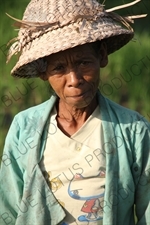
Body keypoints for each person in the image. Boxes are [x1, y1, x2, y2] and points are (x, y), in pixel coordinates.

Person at [0, 0, 149, 224]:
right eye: (59, 68)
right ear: (43, 71)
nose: (74, 80)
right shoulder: (25, 128)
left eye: (83, 63)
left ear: (102, 56)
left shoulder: (133, 130)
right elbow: (8, 208)